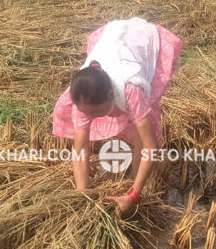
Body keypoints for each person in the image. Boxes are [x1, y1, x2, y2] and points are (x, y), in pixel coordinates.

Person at [52, 17, 181, 217]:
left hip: (142, 43)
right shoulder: (82, 97)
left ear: (112, 95)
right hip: (109, 45)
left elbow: (150, 146)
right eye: (85, 112)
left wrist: (135, 194)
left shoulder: (131, 90)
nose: (89, 116)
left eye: (94, 112)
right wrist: (82, 196)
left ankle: (138, 185)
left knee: (142, 131)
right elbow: (80, 150)